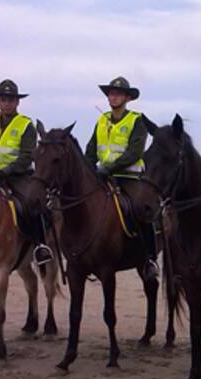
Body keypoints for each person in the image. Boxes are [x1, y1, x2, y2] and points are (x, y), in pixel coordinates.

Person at [84, 76, 158, 281]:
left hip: (129, 178)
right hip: (102, 178)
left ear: (127, 98)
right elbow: (91, 150)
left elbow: (135, 152)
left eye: (118, 94)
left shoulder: (136, 120)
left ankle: (149, 258)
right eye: (111, 93)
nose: (114, 96)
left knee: (142, 210)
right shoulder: (101, 120)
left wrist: (109, 167)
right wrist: (88, 170)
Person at [0, 79, 52, 265]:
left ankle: (40, 246)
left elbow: (27, 156)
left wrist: (7, 170)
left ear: (17, 102)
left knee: (32, 205)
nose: (7, 103)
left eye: (10, 100)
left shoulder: (26, 125)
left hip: (18, 177)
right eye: (3, 99)